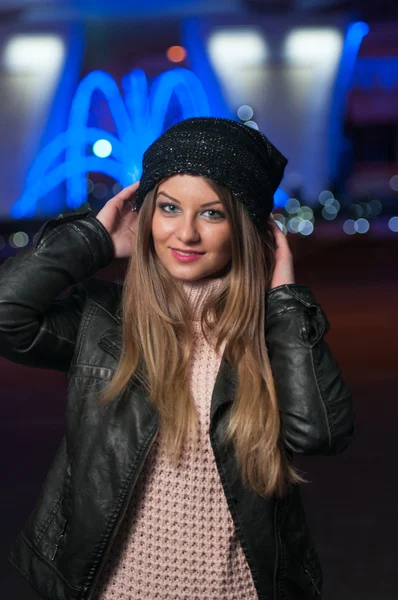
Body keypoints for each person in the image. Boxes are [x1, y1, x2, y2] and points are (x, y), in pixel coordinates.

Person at [0, 117, 354, 600]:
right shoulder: (105, 320)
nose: (185, 233)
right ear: (146, 213)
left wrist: (286, 297)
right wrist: (94, 240)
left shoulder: (267, 331)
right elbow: (7, 316)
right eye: (169, 207)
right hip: (115, 591)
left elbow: (320, 432)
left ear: (247, 229)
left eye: (212, 213)